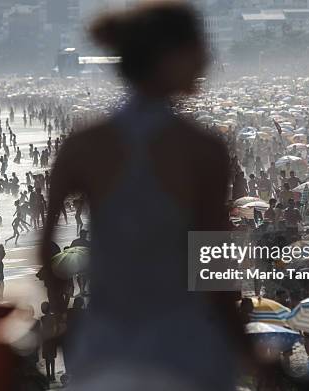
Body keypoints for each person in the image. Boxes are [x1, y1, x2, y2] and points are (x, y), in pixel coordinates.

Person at [40, 3, 250, 389]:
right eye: (199, 48)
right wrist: (247, 349)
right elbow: (213, 271)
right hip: (184, 346)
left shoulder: (84, 143)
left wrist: (62, 318)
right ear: (169, 58)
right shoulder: (201, 148)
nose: (206, 60)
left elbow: (44, 249)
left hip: (103, 346)